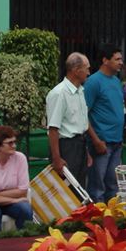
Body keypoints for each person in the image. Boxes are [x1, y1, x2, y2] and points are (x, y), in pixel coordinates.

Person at [84, 44, 125, 203]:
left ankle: (112, 221)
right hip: (101, 142)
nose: (121, 62)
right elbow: (83, 114)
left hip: (117, 141)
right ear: (105, 60)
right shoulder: (93, 82)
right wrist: (95, 140)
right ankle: (96, 221)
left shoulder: (116, 81)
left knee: (113, 186)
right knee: (97, 186)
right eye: (117, 59)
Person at [46, 52, 90, 187]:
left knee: (80, 188)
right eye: (87, 68)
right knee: (67, 188)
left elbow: (81, 124)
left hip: (80, 144)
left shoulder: (80, 91)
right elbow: (53, 128)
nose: (89, 73)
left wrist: (86, 152)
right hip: (66, 146)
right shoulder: (59, 93)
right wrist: (57, 158)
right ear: (76, 71)